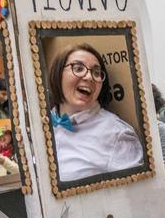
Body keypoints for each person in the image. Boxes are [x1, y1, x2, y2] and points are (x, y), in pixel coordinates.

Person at [48, 44, 144, 183]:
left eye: (96, 73)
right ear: (57, 74)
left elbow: (139, 195)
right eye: (78, 68)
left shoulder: (117, 134)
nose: (89, 77)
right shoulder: (41, 127)